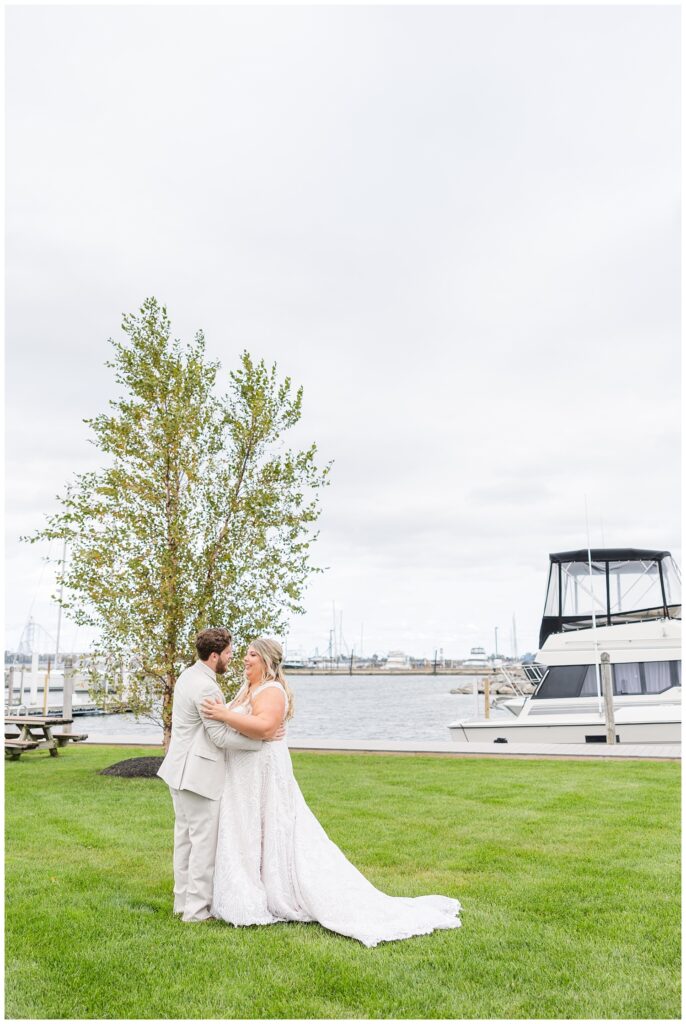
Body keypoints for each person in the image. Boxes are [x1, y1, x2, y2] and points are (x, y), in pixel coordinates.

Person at [201, 637, 461, 947]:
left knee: (272, 827)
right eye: (245, 654)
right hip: (246, 774)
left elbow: (266, 729)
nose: (245, 659)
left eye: (252, 655)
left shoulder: (271, 690)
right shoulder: (248, 689)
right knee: (252, 829)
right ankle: (255, 887)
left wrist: (224, 715)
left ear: (268, 661)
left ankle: (279, 891)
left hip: (264, 773)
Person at [157, 628, 281, 923]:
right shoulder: (207, 687)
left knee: (185, 840)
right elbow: (219, 736)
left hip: (179, 771)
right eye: (227, 654)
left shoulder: (189, 675)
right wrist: (261, 741)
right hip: (198, 774)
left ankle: (182, 903)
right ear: (214, 656)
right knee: (202, 846)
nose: (231, 659)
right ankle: (197, 912)